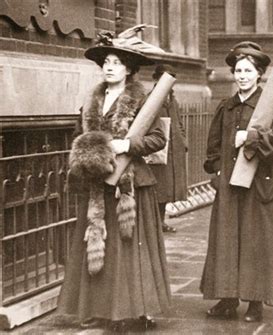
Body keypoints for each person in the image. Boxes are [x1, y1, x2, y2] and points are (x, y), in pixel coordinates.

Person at [57, 33, 171, 331]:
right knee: (98, 247)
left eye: (117, 63)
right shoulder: (92, 100)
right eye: (106, 62)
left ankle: (132, 310)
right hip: (97, 183)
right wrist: (87, 151)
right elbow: (77, 135)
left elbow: (158, 139)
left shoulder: (141, 99)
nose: (110, 67)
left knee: (128, 249)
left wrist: (127, 146)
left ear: (129, 69)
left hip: (129, 185)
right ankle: (98, 309)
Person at [200, 41, 273, 322]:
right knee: (227, 241)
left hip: (259, 186)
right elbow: (213, 146)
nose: (242, 76)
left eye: (248, 71)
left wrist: (249, 138)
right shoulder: (226, 107)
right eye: (238, 70)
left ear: (259, 73)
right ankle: (227, 299)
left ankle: (254, 303)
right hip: (228, 186)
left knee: (256, 242)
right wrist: (217, 174)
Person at [148, 64, 188, 233]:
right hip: (158, 151)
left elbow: (178, 122)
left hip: (173, 150)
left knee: (167, 190)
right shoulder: (151, 99)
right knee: (158, 189)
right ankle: (154, 224)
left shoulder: (172, 100)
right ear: (156, 79)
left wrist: (183, 140)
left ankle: (161, 221)